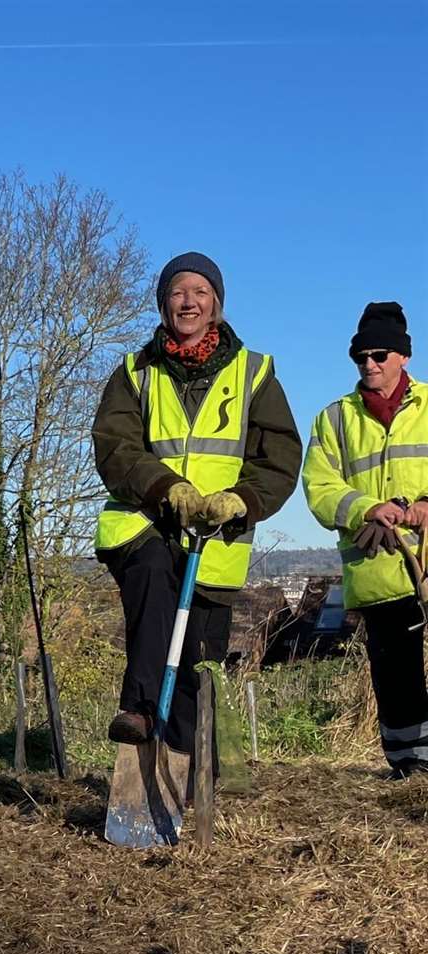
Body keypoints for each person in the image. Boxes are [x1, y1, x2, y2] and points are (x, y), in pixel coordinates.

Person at [93, 253, 301, 755]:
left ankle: (189, 776)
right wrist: (166, 489)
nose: (188, 301)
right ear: (164, 305)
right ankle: (140, 711)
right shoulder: (134, 373)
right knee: (153, 572)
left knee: (197, 660)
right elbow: (115, 446)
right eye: (177, 292)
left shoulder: (255, 374)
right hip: (146, 524)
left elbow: (279, 456)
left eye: (199, 292)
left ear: (217, 306)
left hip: (216, 541)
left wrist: (241, 499)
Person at [302, 302, 427, 777]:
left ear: (403, 357)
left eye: (379, 354)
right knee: (396, 680)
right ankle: (409, 770)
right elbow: (319, 487)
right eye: (361, 357)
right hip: (376, 572)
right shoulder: (333, 419)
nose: (369, 364)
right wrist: (365, 509)